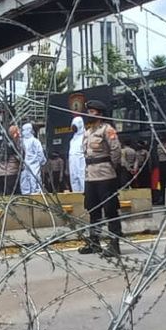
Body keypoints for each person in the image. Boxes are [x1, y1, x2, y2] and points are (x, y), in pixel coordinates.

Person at [79, 101, 122, 257]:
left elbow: (116, 151)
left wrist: (111, 167)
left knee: (110, 209)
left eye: (92, 112)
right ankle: (94, 241)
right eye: (88, 111)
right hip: (90, 176)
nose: (88, 114)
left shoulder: (107, 129)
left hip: (105, 175)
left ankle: (114, 243)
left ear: (100, 114)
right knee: (93, 210)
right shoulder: (87, 131)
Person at [19, 122, 46, 195]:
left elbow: (40, 153)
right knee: (25, 182)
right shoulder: (21, 141)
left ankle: (36, 197)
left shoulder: (34, 141)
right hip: (25, 166)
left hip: (33, 165)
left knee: (34, 182)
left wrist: (40, 163)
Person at [69, 116, 87, 197]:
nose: (73, 128)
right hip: (73, 163)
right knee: (74, 180)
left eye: (75, 126)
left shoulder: (85, 136)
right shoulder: (72, 139)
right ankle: (76, 198)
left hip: (81, 162)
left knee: (82, 179)